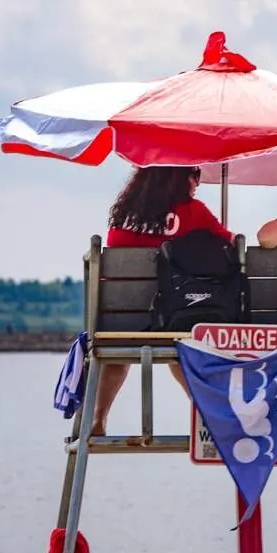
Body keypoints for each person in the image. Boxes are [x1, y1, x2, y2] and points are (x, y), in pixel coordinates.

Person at [93, 165, 234, 436]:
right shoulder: (193, 211)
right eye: (196, 175)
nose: (197, 182)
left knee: (117, 352)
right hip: (174, 317)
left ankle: (98, 420)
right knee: (179, 344)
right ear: (179, 176)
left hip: (120, 320)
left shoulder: (124, 214)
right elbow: (228, 244)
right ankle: (207, 412)